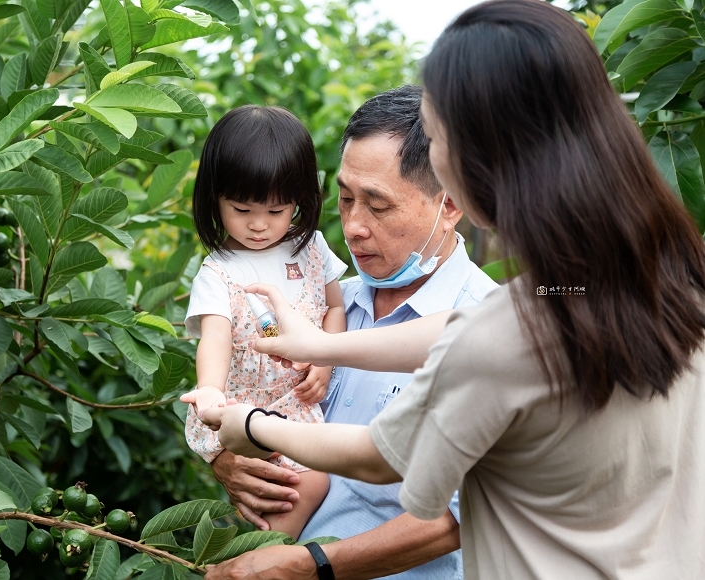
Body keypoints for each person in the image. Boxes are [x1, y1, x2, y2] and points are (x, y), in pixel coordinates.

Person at [202, 1, 705, 578]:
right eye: (344, 198)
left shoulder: (507, 332)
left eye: (440, 138)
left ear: (463, 184)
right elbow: (466, 330)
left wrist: (251, 424)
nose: (354, 223)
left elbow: (380, 456)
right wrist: (315, 351)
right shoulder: (659, 283)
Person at [206, 85, 497, 580]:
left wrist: (307, 566)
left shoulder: (489, 326)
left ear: (449, 204)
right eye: (344, 199)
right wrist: (229, 461)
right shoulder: (318, 305)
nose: (354, 226)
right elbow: (245, 392)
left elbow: (458, 517)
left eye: (377, 206)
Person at [180, 105, 348, 539]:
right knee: (300, 483)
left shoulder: (310, 249)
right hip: (245, 405)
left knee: (298, 486)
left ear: (300, 201)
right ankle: (268, 555)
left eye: (276, 212)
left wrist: (325, 360)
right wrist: (212, 391)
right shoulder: (219, 271)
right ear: (213, 198)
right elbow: (215, 339)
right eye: (241, 209)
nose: (258, 226)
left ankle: (263, 556)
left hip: (298, 400)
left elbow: (334, 308)